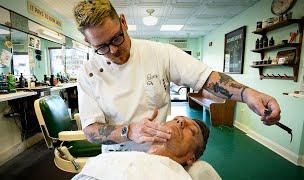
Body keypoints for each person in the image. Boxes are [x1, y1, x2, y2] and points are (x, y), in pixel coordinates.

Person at [73, 0, 281, 152]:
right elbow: (91, 131)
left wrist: (247, 94)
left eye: (117, 38)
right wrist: (128, 131)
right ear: (87, 41)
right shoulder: (87, 73)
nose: (113, 51)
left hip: (160, 153)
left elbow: (208, 78)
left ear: (123, 22)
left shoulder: (159, 53)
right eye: (101, 47)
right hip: (115, 160)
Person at [72, 116, 219, 180]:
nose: (180, 121)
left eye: (191, 130)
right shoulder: (109, 158)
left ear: (191, 158)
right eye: (176, 119)